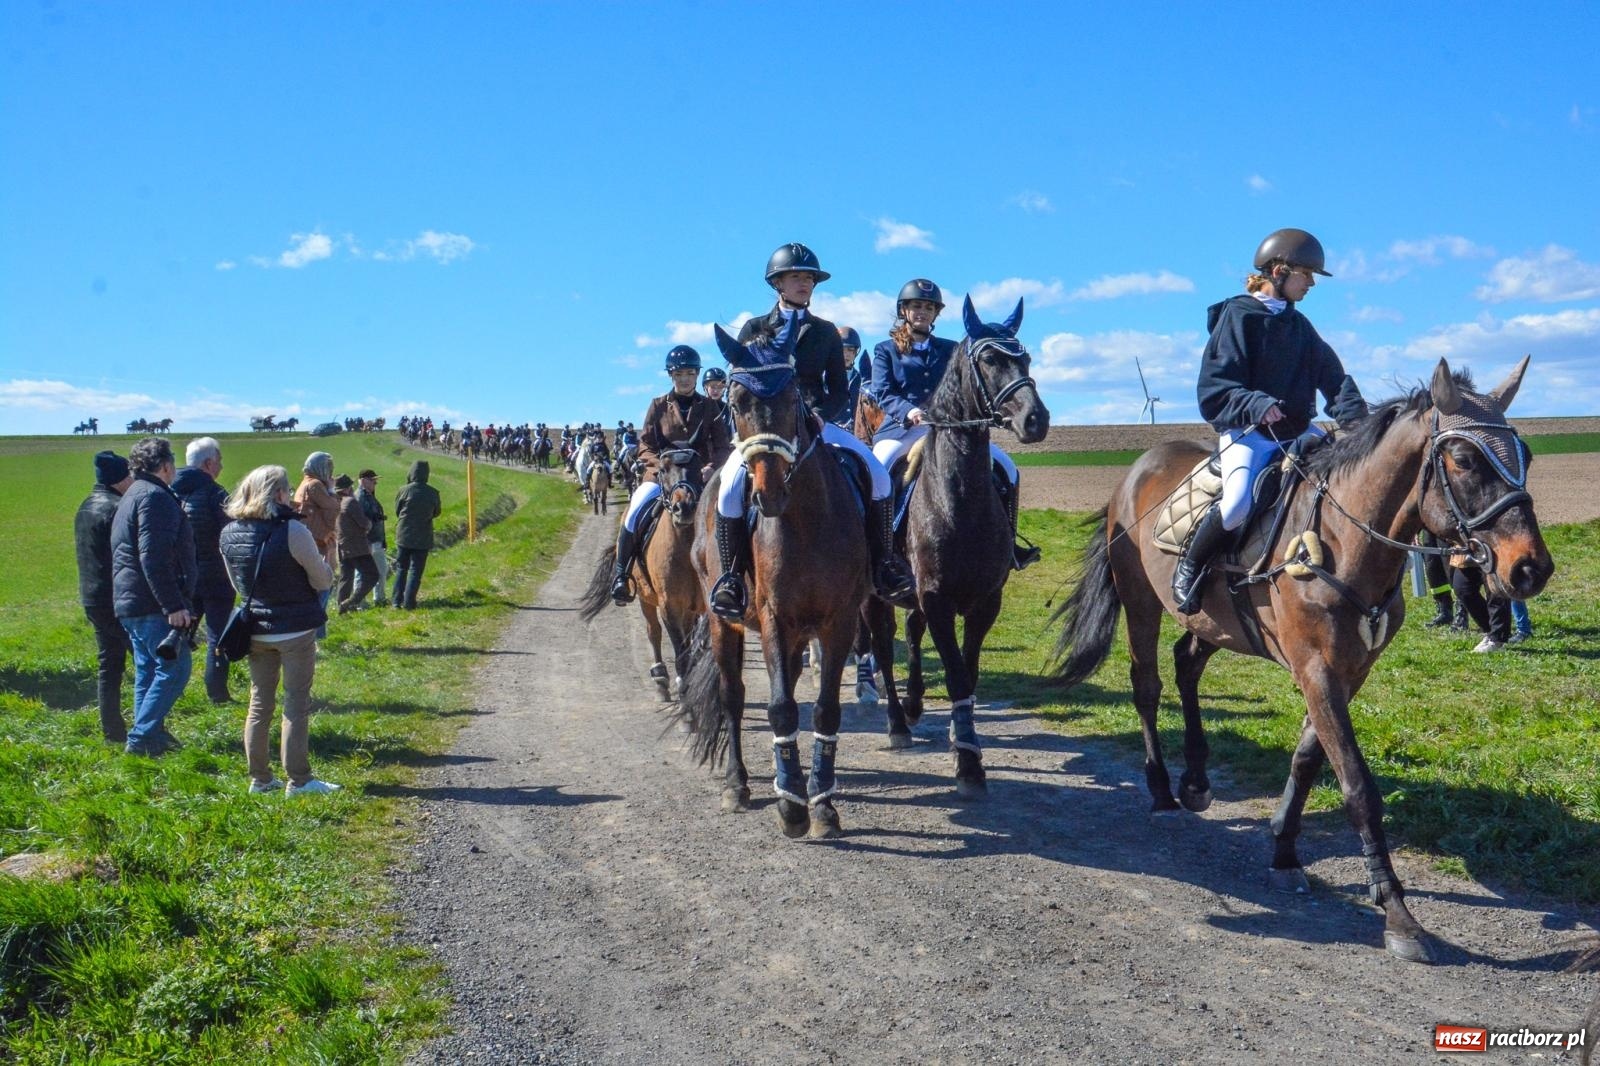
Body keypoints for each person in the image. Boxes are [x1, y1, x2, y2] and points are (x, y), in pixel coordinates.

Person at [709, 242, 915, 618]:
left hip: (815, 425)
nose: (804, 284)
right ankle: (731, 579)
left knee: (879, 475)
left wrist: (819, 414)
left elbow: (838, 387)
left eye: (808, 278)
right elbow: (741, 383)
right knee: (727, 490)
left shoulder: (826, 333)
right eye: (795, 277)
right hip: (767, 430)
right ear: (778, 284)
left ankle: (883, 565)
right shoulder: (755, 328)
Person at [1176, 228, 1369, 614]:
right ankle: (1189, 567)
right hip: (1249, 434)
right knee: (1235, 506)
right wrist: (1255, 402)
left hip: (1298, 433)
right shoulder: (1237, 316)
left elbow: (1336, 380)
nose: (1312, 283)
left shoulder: (1301, 328)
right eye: (1306, 274)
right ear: (1279, 271)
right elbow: (1215, 388)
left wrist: (1363, 426)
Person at [869, 279, 1040, 570]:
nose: (922, 312)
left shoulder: (951, 349)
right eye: (916, 306)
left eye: (928, 307)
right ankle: (877, 553)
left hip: (948, 429)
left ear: (936, 313)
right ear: (904, 311)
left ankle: (1009, 546)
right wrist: (909, 412)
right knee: (880, 472)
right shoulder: (885, 350)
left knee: (1008, 469)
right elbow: (883, 392)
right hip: (902, 431)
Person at [219, 465, 340, 795]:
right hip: (295, 629)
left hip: (255, 629)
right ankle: (299, 780)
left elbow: (238, 585)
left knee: (259, 704)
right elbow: (321, 579)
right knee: (295, 705)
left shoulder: (228, 533)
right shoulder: (292, 531)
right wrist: (329, 558)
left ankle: (260, 778)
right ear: (279, 494)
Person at [608, 344, 732, 603]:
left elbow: (722, 446)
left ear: (696, 375)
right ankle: (622, 575)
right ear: (671, 376)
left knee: (732, 510)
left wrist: (712, 467)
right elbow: (645, 445)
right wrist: (659, 466)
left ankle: (733, 577)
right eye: (678, 374)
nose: (684, 378)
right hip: (663, 477)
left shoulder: (710, 407)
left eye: (688, 373)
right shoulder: (657, 406)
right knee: (635, 510)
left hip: (700, 477)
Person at [111, 436, 197, 756]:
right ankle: (143, 736)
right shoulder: (155, 497)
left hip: (130, 600)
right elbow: (154, 556)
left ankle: (152, 734)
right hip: (151, 602)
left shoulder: (132, 494)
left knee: (148, 670)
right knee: (175, 668)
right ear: (164, 465)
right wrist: (173, 605)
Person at [74, 450, 134, 743]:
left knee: (109, 665)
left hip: (91, 595)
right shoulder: (117, 509)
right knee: (152, 664)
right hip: (115, 597)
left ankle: (112, 731)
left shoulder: (85, 505)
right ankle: (150, 730)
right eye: (129, 475)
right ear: (120, 479)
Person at [172, 437, 236, 703]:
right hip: (216, 577)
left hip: (184, 577)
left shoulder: (170, 492)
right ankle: (217, 693)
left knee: (179, 635)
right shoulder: (216, 494)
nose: (220, 467)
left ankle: (168, 688)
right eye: (219, 461)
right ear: (209, 463)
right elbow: (232, 534)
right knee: (217, 636)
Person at [294, 451, 339, 636]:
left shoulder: (304, 483)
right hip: (319, 540)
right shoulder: (315, 485)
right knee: (322, 587)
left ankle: (315, 633)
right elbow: (333, 506)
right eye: (328, 467)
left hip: (310, 537)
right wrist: (331, 489)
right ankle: (314, 634)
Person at [392, 460, 442, 609]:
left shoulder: (403, 490)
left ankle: (396, 601)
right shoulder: (433, 493)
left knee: (401, 568)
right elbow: (437, 512)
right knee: (416, 570)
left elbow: (397, 510)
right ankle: (409, 603)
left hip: (403, 536)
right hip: (423, 536)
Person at [333, 474, 378, 613]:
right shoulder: (350, 502)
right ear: (347, 488)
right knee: (372, 575)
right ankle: (352, 601)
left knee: (346, 578)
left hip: (341, 546)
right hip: (357, 547)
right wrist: (369, 524)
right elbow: (364, 523)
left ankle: (342, 609)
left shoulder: (334, 502)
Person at [356, 469, 389, 606]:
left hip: (376, 540)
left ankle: (379, 598)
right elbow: (361, 521)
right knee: (362, 574)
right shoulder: (360, 497)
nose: (375, 482)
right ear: (363, 481)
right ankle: (359, 602)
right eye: (372, 480)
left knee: (382, 569)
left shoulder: (369, 495)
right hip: (367, 541)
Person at [702, 366, 734, 439]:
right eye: (713, 387)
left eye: (720, 387)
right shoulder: (697, 408)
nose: (716, 391)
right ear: (705, 387)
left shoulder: (729, 410)